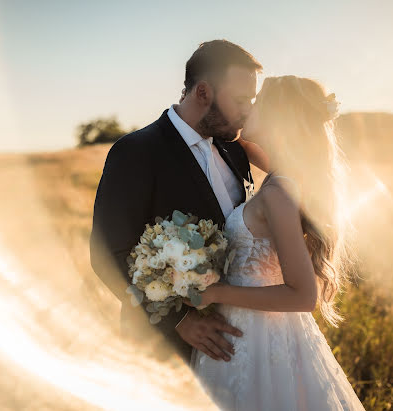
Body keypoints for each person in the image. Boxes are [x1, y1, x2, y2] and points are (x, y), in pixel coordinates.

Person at [189, 75, 365, 410]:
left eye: (257, 104)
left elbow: (304, 295)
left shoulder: (280, 192)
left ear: (277, 118)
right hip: (245, 328)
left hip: (258, 339)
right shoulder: (281, 172)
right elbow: (239, 141)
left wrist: (215, 293)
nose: (246, 109)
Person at [89, 40, 263, 363]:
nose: (248, 110)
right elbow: (107, 253)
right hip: (166, 352)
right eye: (240, 100)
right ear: (202, 93)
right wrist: (180, 321)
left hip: (237, 344)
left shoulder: (236, 150)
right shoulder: (136, 152)